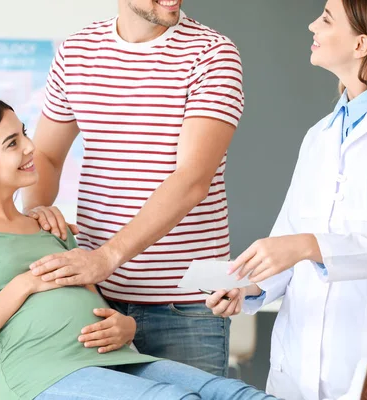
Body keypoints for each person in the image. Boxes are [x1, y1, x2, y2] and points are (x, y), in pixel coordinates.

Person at [0, 98, 284, 400]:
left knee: (239, 396)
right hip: (44, 373)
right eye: (12, 143)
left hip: (118, 359)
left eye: (24, 133)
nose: (30, 146)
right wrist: (22, 285)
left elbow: (95, 303)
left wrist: (125, 326)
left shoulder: (49, 224)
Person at [21, 0, 244, 375]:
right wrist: (38, 219)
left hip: (186, 307)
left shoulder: (213, 53)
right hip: (94, 299)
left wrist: (106, 257)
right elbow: (46, 153)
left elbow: (192, 180)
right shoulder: (77, 51)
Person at [206, 0, 367, 398]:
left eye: (327, 18)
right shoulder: (320, 135)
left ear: (361, 45)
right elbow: (289, 237)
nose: (313, 25)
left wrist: (309, 247)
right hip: (296, 361)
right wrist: (250, 288)